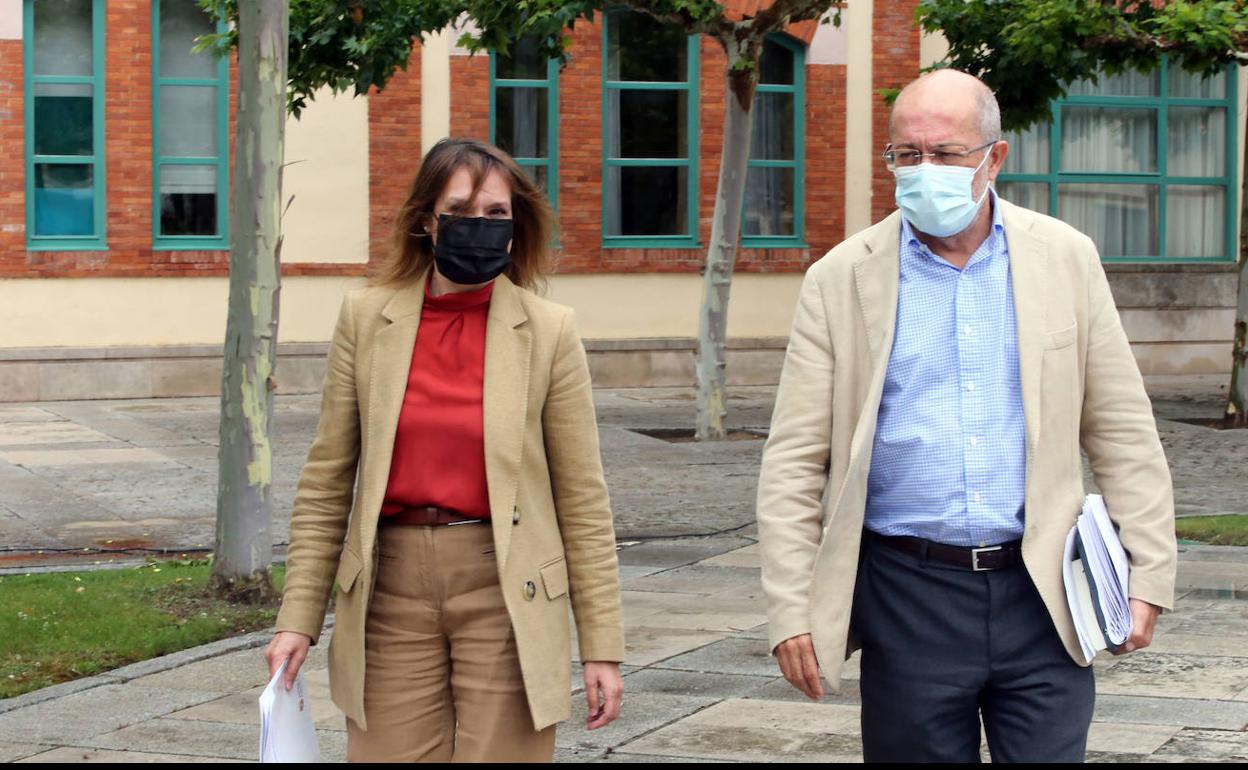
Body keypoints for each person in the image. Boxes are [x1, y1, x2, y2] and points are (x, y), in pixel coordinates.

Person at [755, 69, 1176, 763]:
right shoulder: (841, 277)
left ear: (994, 157)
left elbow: (1122, 428)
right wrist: (790, 607)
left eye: (946, 154)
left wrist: (1149, 576)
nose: (926, 171)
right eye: (907, 155)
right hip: (907, 594)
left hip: (1045, 587)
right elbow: (795, 460)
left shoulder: (1065, 259)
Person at [263, 137, 626, 763]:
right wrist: (297, 618)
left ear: (516, 227)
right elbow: (326, 481)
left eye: (495, 215)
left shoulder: (549, 330)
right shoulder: (366, 318)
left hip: (506, 584)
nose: (479, 228)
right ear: (428, 219)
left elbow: (583, 499)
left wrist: (602, 645)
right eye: (461, 211)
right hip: (389, 585)